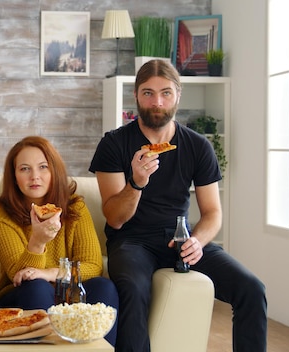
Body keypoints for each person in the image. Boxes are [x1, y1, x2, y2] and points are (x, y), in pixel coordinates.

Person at [89, 59, 267, 351]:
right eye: (147, 93)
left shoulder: (198, 146)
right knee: (133, 289)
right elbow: (115, 218)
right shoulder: (114, 144)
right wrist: (137, 182)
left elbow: (212, 213)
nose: (156, 102)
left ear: (178, 95)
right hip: (132, 241)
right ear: (135, 95)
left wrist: (198, 241)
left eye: (165, 93)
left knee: (251, 289)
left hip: (181, 238)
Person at [0, 136, 119, 346]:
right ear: (13, 176)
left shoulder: (75, 208)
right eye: (24, 169)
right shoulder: (1, 215)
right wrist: (37, 242)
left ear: (54, 171)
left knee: (104, 287)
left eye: (43, 167)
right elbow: (18, 275)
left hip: (68, 295)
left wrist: (49, 273)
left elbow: (93, 266)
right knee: (37, 286)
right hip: (20, 296)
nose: (35, 176)